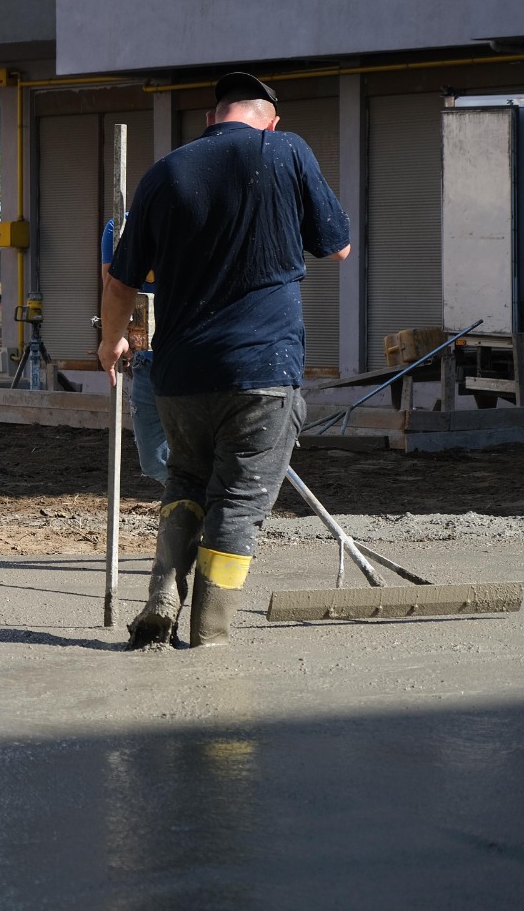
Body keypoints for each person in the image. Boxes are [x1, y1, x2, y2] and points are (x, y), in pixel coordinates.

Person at [98, 72, 352, 649]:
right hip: (263, 373)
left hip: (181, 374)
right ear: (271, 120)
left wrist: (113, 340)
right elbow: (338, 245)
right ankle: (209, 634)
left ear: (212, 119)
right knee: (237, 503)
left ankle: (163, 590)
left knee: (184, 478)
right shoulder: (286, 151)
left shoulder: (164, 172)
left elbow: (120, 282)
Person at [101, 218, 168, 485]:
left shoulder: (206, 217)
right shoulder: (120, 228)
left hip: (196, 360)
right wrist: (114, 337)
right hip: (147, 362)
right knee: (155, 461)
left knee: (198, 455)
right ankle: (197, 510)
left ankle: (207, 518)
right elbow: (113, 288)